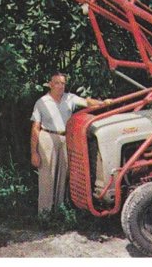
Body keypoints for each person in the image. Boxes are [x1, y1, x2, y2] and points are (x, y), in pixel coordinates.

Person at [30, 72, 106, 215]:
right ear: (50, 84)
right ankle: (44, 214)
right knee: (47, 177)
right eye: (57, 83)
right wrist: (34, 152)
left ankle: (59, 212)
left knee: (63, 175)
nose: (60, 86)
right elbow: (35, 128)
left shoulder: (69, 98)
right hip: (47, 137)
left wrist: (103, 103)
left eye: (63, 83)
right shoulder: (42, 102)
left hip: (65, 138)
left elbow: (87, 102)